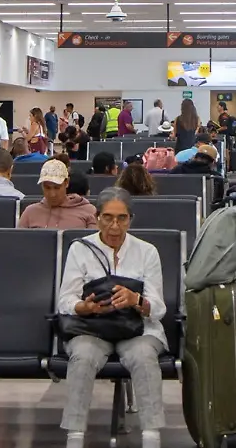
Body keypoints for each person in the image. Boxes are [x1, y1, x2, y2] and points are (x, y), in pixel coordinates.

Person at [57, 187, 166, 448]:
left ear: (130, 219)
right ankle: (74, 436)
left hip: (137, 329)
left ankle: (151, 436)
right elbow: (65, 301)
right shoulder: (80, 250)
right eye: (107, 218)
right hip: (92, 328)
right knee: (82, 355)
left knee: (143, 356)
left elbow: (159, 309)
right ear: (96, 218)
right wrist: (85, 307)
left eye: (122, 218)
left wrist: (136, 300)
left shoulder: (147, 252)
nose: (114, 226)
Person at [18, 160, 99, 229]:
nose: (52, 194)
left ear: (66, 183)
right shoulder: (30, 212)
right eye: (47, 188)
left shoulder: (88, 211)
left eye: (57, 188)